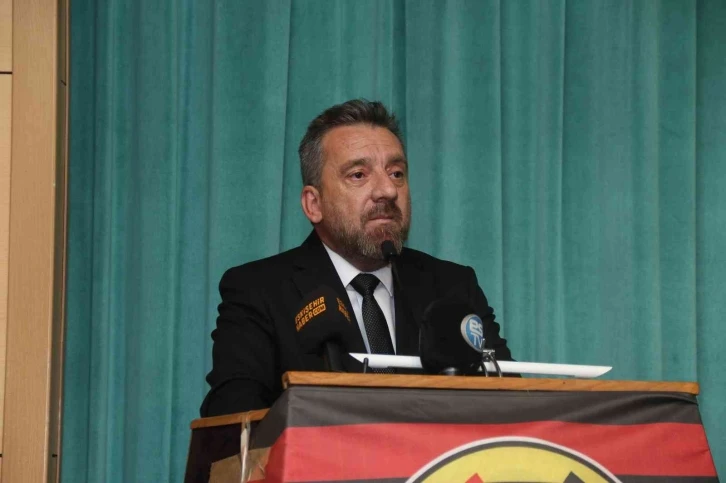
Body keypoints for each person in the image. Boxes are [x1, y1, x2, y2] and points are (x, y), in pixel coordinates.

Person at [200, 99, 514, 416]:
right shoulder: (259, 292)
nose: (388, 191)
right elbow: (232, 418)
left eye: (396, 173)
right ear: (314, 204)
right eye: (358, 175)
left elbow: (513, 403)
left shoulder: (451, 287)